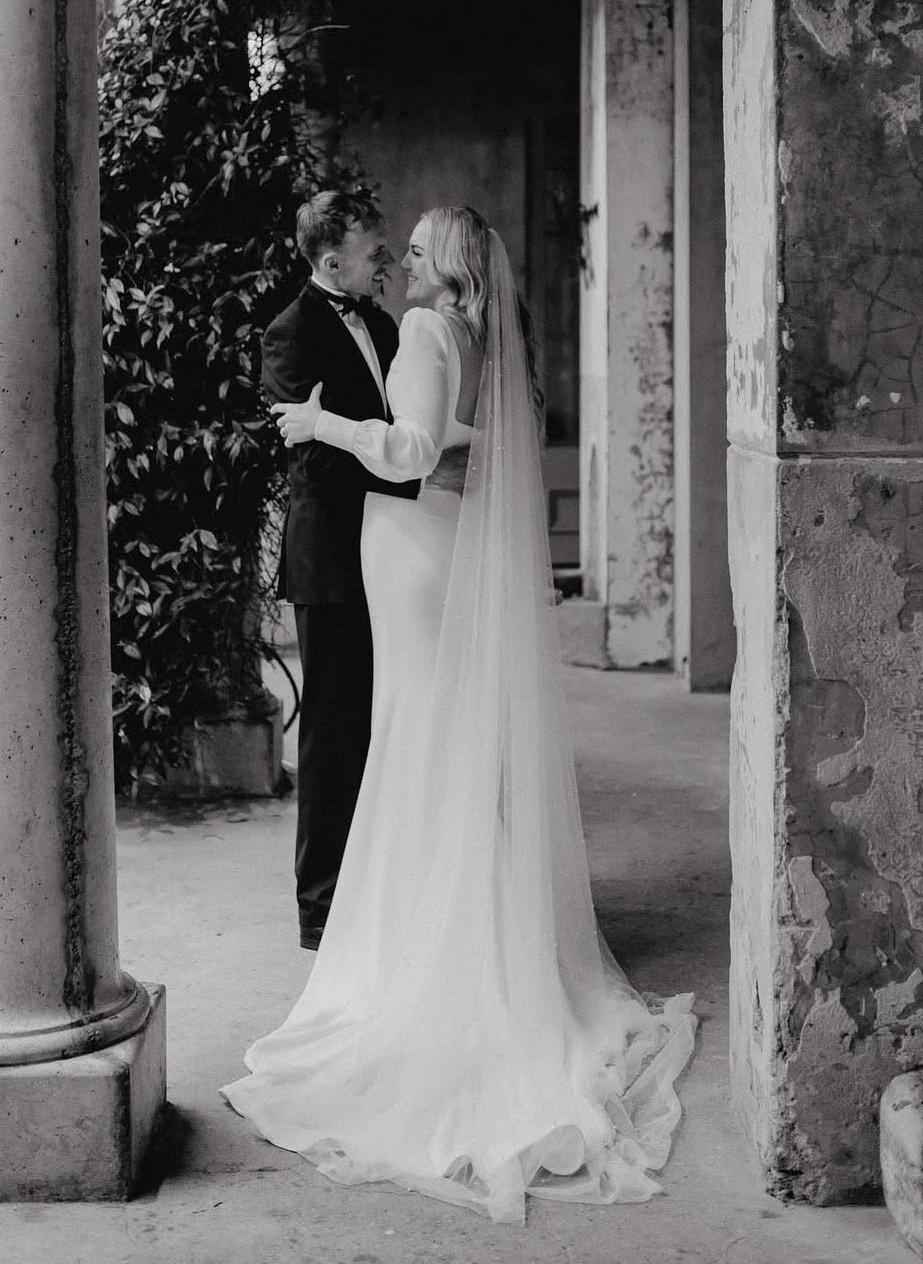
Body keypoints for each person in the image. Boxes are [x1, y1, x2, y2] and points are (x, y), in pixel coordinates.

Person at [224, 205, 697, 1226]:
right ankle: (472, 917)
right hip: (439, 548)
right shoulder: (481, 336)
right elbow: (474, 450)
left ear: (444, 263)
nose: (401, 255)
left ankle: (430, 945)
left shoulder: (429, 332)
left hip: (412, 549)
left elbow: (409, 450)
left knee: (415, 735)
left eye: (417, 243)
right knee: (433, 732)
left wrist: (323, 425)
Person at [260, 191, 418, 952]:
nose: (384, 261)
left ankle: (383, 882)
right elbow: (316, 455)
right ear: (330, 261)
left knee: (390, 715)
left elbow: (390, 429)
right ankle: (319, 908)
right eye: (372, 251)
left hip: (396, 544)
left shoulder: (385, 325)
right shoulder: (288, 334)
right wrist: (397, 458)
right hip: (332, 555)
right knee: (331, 727)